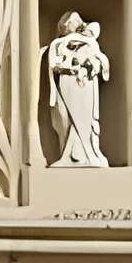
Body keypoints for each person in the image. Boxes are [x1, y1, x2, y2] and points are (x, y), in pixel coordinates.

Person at [45, 11, 109, 166]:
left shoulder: (90, 41)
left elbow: (100, 60)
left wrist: (93, 64)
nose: (77, 22)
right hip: (67, 84)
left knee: (86, 119)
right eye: (73, 21)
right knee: (68, 119)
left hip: (86, 85)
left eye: (77, 20)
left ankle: (88, 154)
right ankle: (68, 155)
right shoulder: (58, 44)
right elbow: (53, 64)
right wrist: (69, 65)